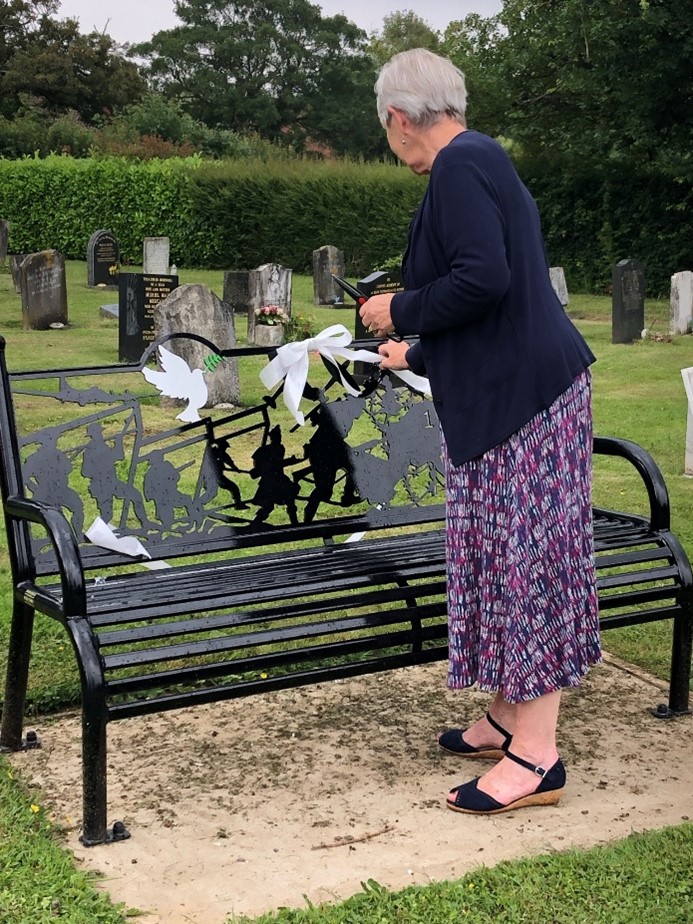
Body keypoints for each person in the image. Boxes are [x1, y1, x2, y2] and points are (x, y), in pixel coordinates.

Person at [360, 48, 601, 815]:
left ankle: (535, 757)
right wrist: (417, 350)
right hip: (524, 385)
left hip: (522, 403)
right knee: (507, 559)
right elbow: (500, 299)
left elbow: (483, 279)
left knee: (523, 565)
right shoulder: (480, 157)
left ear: (398, 119)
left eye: (383, 126)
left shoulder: (459, 168)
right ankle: (506, 715)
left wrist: (396, 310)